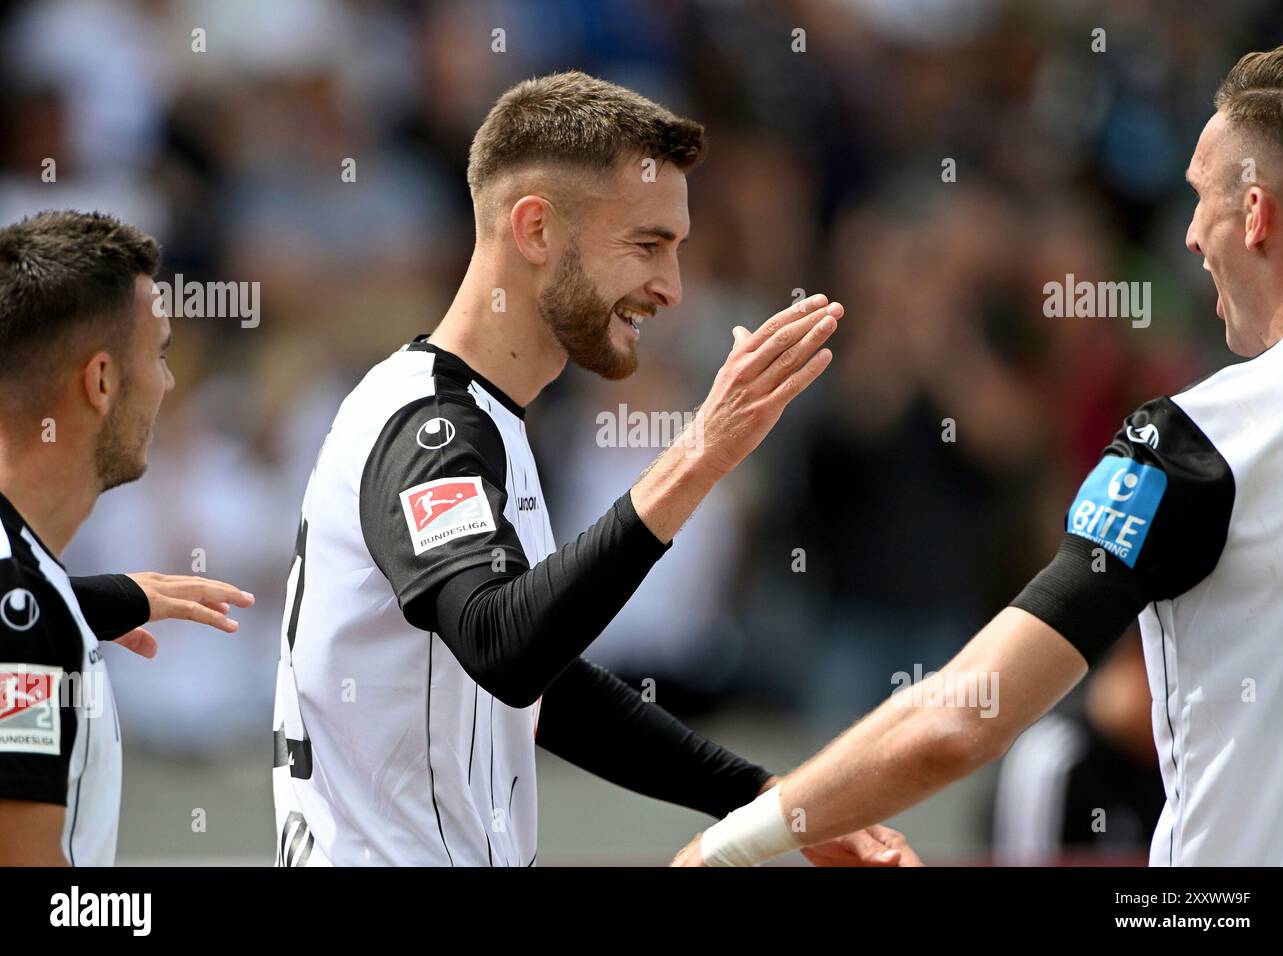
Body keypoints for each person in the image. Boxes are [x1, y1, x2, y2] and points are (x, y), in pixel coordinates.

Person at [677, 44, 1283, 868]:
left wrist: (733, 842)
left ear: (1255, 213)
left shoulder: (1205, 437)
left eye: (1199, 200)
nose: (1187, 236)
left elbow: (962, 718)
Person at [271, 71, 911, 867]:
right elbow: (504, 648)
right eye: (647, 246)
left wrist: (770, 805)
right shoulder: (428, 426)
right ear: (535, 230)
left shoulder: (482, 421)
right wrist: (698, 454)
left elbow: (546, 686)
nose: (671, 289)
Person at [0, 210, 253, 866]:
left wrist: (75, 603)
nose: (169, 384)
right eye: (161, 354)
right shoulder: (20, 618)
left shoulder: (27, 600)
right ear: (102, 380)